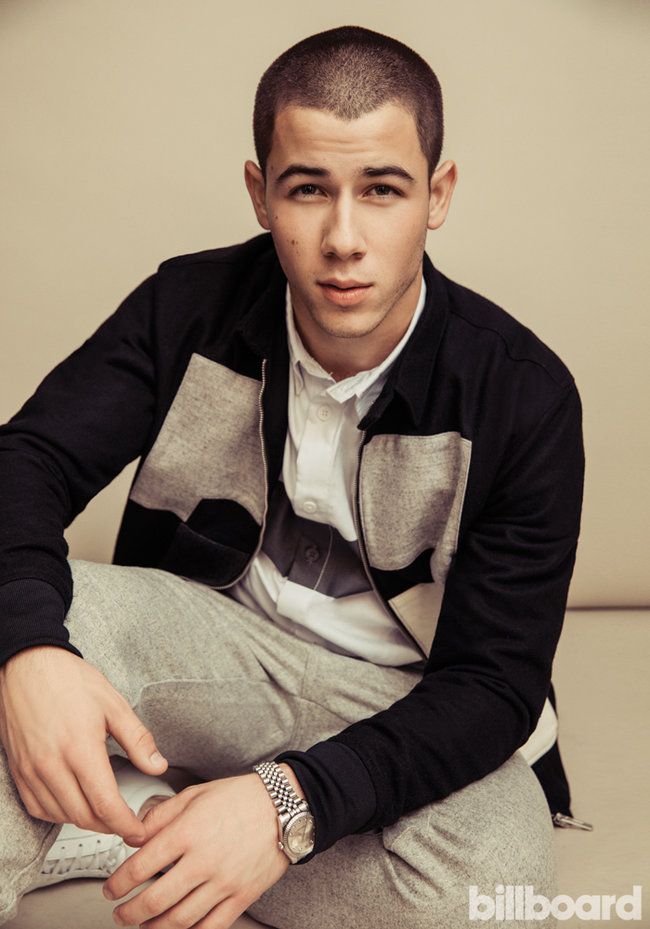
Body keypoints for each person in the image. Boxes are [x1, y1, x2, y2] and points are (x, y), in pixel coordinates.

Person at [0, 23, 585, 929]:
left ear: (437, 195)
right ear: (261, 194)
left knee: (495, 881)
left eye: (382, 190)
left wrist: (285, 806)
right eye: (309, 188)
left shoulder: (524, 393)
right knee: (31, 624)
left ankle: (142, 822)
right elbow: (25, 461)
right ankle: (152, 813)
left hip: (401, 701)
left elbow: (493, 685)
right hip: (209, 655)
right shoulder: (186, 305)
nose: (343, 238)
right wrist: (31, 654)